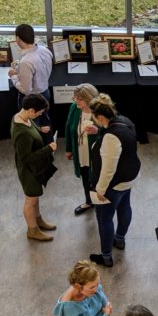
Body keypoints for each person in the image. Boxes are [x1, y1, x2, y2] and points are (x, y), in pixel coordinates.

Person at [88, 94, 140, 268]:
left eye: (93, 118)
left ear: (100, 117)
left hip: (114, 183)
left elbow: (108, 168)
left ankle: (106, 256)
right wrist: (100, 131)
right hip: (129, 177)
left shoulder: (111, 137)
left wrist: (100, 190)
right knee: (125, 207)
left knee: (105, 218)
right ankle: (120, 239)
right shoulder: (124, 121)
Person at [11, 92, 59, 242]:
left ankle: (38, 221)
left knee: (35, 196)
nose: (40, 115)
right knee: (30, 200)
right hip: (29, 171)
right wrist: (49, 149)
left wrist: (39, 130)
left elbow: (31, 128)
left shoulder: (22, 117)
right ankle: (32, 230)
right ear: (31, 110)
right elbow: (26, 158)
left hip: (35, 168)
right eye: (39, 113)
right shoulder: (22, 133)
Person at [8, 23, 54, 138]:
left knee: (31, 127)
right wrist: (19, 68)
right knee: (45, 121)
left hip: (31, 99)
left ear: (18, 39)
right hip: (45, 92)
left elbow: (25, 89)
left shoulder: (26, 62)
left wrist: (13, 76)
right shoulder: (45, 50)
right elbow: (39, 70)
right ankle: (48, 145)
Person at [64, 83, 100, 216]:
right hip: (81, 152)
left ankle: (102, 204)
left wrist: (98, 130)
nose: (75, 100)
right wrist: (69, 149)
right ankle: (89, 201)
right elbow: (68, 128)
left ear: (89, 99)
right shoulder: (74, 108)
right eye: (75, 97)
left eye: (79, 98)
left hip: (97, 155)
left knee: (98, 179)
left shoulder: (101, 110)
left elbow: (114, 131)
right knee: (85, 177)